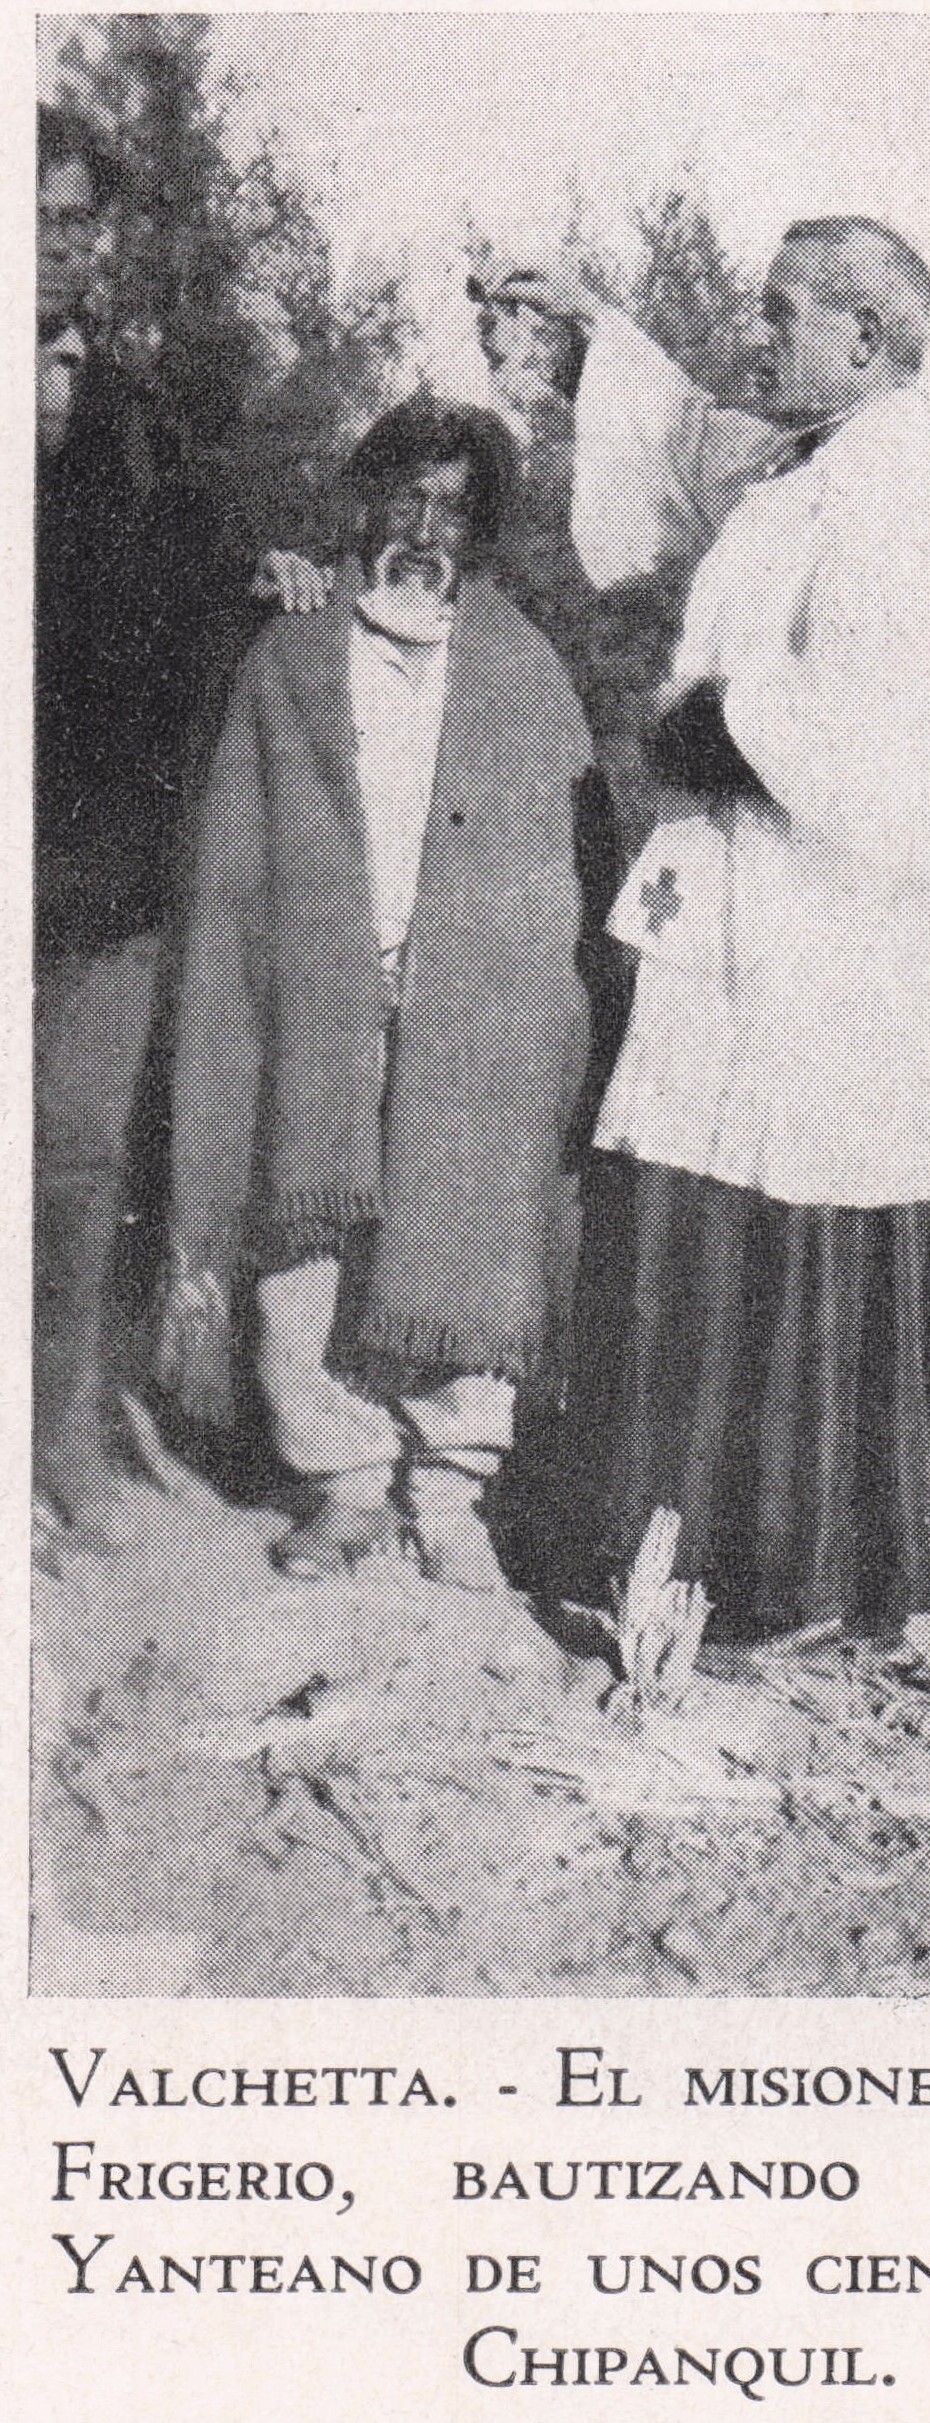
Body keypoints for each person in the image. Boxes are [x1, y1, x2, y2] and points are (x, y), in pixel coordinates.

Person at [491, 218, 930, 1650]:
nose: (758, 334)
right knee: (709, 1171)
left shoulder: (899, 484)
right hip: (752, 899)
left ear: (866, 337)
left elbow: (894, 737)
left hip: (829, 928)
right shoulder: (818, 456)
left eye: (783, 313)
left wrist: (711, 724)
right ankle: (721, 1547)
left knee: (788, 1199)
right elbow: (692, 443)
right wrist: (590, 338)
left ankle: (795, 1573)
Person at [159, 400, 594, 1587]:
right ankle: (343, 1481)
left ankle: (449, 1491)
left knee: (471, 1222)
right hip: (319, 985)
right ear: (366, 503)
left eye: (455, 506)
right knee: (308, 1230)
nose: (424, 529)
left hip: (477, 999)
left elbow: (569, 854)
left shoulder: (524, 668)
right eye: (406, 496)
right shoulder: (294, 649)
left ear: (483, 531)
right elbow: (233, 833)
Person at [35, 105, 230, 1549]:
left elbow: (190, 596)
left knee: (76, 1164)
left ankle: (60, 1438)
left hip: (98, 866)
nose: (60, 239)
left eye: (78, 217)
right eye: (34, 210)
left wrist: (268, 580)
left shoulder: (139, 418)